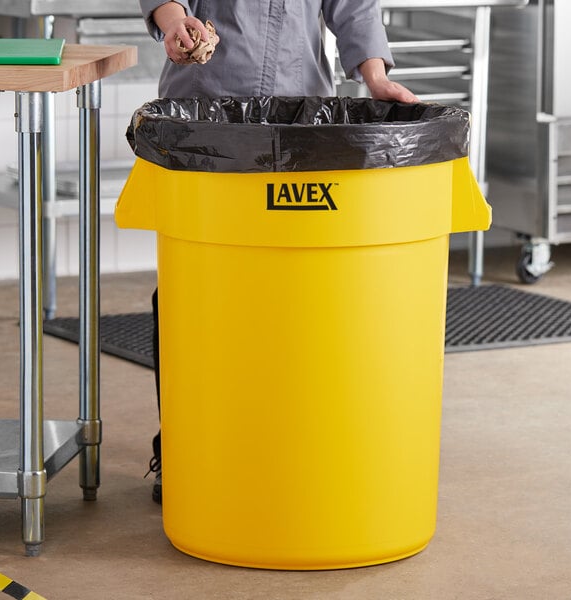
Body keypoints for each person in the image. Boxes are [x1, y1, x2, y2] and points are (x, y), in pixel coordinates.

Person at [139, 0, 418, 504]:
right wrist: (173, 20)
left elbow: (353, 6)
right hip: (206, 116)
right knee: (195, 294)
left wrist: (374, 77)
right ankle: (186, 446)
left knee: (297, 297)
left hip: (303, 116)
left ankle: (292, 444)